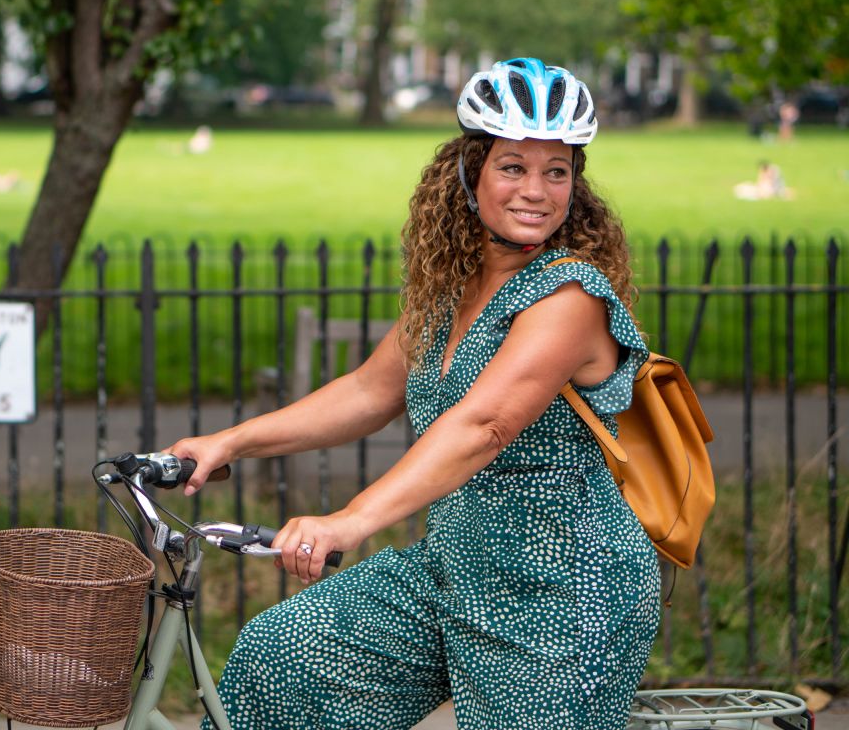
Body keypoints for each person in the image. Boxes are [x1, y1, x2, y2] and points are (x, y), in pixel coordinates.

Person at [165, 58, 659, 730]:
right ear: (469, 172)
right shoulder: (452, 294)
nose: (537, 190)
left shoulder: (569, 298)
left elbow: (482, 426)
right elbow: (369, 391)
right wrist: (234, 440)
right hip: (454, 565)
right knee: (283, 653)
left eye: (557, 171)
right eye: (513, 167)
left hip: (564, 591)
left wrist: (350, 521)